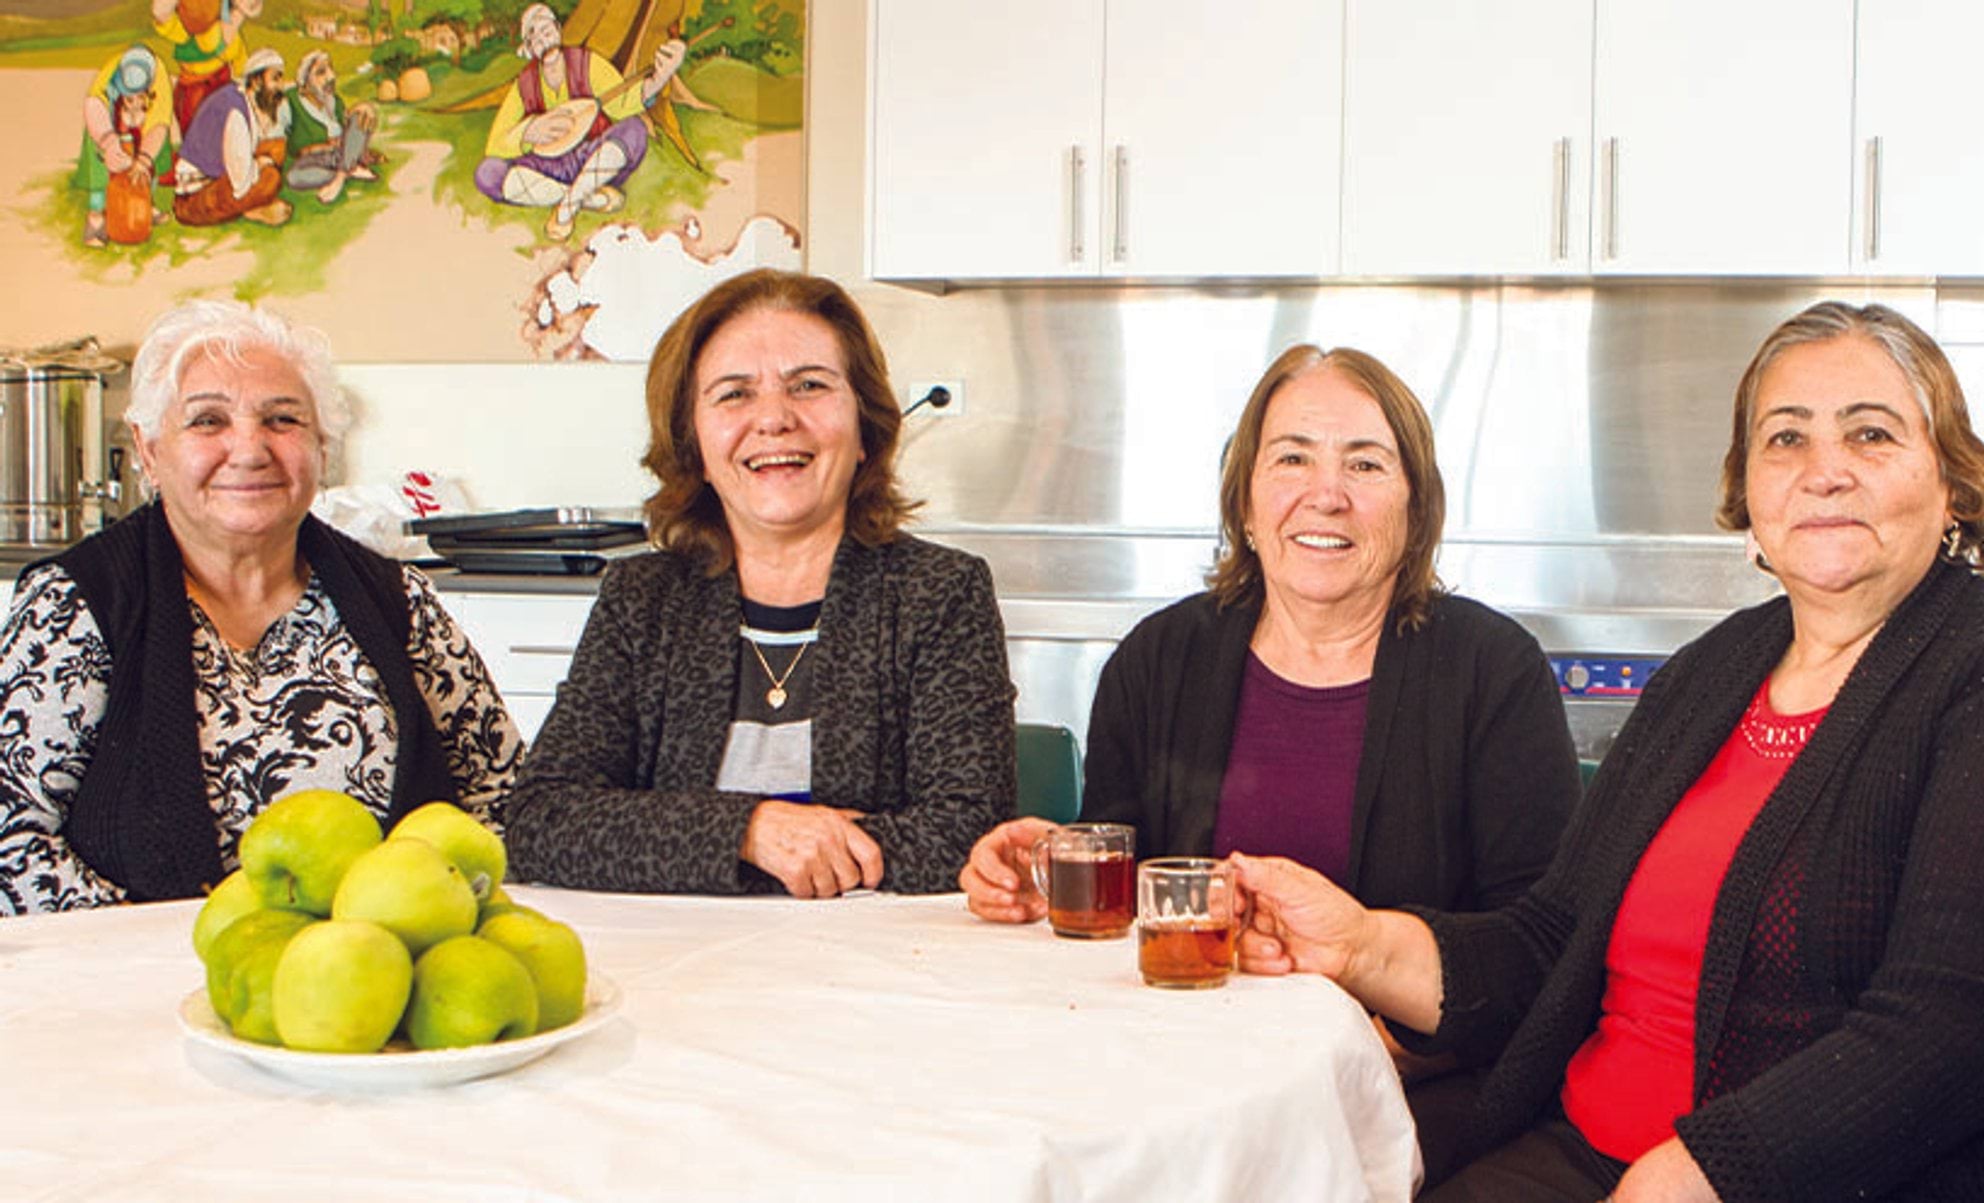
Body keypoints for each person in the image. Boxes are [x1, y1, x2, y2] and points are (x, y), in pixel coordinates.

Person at [1234, 302, 1984, 1202]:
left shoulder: (1965, 667)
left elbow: (1946, 1023)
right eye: (1785, 438)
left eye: (1871, 434)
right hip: (1579, 1152)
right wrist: (1360, 944)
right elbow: (1552, 940)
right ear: (1747, 491)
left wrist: (1704, 1168)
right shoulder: (1711, 673)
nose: (1823, 472)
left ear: (1953, 485)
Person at [961, 344, 1577, 923]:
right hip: (1196, 1022)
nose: (1327, 495)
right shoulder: (1156, 660)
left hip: (1398, 1039)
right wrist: (1053, 868)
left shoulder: (1496, 671)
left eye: (1365, 464)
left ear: (1415, 509)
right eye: (1292, 458)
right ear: (1246, 503)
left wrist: (1393, 1032)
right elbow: (1128, 908)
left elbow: (1535, 941)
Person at [0, 300, 524, 915]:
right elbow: (14, 838)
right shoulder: (75, 604)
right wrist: (169, 950)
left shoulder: (399, 601)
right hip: (140, 987)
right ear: (147, 449)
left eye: (282, 420)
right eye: (207, 422)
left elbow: (503, 794)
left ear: (321, 446)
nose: (249, 449)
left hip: (373, 977)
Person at [505, 269, 1015, 897]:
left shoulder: (939, 593)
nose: (774, 419)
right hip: (680, 967)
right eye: (734, 394)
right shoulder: (643, 600)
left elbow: (966, 834)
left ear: (865, 428)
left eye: (809, 385)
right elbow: (541, 820)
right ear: (693, 442)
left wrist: (664, 840)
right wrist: (751, 831)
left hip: (871, 968)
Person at [473, 2, 686, 241]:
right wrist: (528, 131)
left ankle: (567, 208)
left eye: (547, 30)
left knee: (634, 130)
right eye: (535, 37)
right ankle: (591, 199)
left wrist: (660, 78)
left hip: (592, 159)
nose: (544, 39)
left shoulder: (587, 63)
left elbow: (623, 103)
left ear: (558, 29)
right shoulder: (524, 85)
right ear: (529, 48)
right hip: (545, 168)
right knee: (487, 173)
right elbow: (495, 143)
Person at [171, 46, 290, 228]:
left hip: (221, 176)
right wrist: (260, 165)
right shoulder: (236, 111)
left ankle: (251, 207)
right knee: (271, 179)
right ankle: (253, 211)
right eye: (275, 78)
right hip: (195, 197)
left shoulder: (244, 97)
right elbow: (240, 182)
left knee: (277, 147)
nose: (280, 87)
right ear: (257, 81)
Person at [76, 45, 173, 248]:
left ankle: (148, 202)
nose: (135, 103)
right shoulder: (107, 77)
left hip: (144, 129)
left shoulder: (160, 82)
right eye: (130, 98)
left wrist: (144, 159)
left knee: (160, 147)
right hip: (109, 126)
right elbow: (94, 106)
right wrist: (109, 143)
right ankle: (96, 217)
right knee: (95, 151)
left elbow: (159, 125)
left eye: (141, 98)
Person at [278, 50, 381, 206]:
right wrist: (319, 147)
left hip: (342, 153)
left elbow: (349, 128)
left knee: (361, 115)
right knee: (294, 177)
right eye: (321, 73)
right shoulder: (291, 102)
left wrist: (364, 108)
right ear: (305, 83)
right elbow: (285, 141)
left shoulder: (334, 101)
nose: (331, 77)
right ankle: (349, 171)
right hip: (314, 160)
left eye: (330, 69)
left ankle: (339, 178)